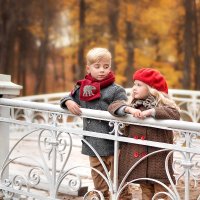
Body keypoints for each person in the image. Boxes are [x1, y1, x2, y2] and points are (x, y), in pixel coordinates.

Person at [60, 47, 127, 200]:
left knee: (120, 180)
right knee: (99, 181)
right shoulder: (82, 88)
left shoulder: (116, 90)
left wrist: (123, 109)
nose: (102, 70)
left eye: (106, 66)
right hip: (93, 143)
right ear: (88, 68)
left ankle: (124, 197)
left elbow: (121, 105)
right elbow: (66, 97)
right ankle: (103, 197)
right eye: (97, 67)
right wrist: (69, 101)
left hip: (114, 143)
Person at [108, 68, 180, 200]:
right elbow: (113, 106)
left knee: (161, 193)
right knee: (145, 191)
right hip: (140, 161)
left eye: (139, 85)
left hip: (158, 160)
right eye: (134, 84)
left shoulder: (162, 106)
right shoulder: (133, 105)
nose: (134, 88)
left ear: (152, 89)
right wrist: (128, 109)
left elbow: (175, 114)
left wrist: (150, 112)